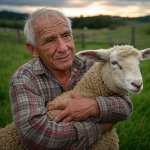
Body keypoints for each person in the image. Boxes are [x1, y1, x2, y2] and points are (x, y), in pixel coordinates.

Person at [10, 8, 133, 149]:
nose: (63, 47)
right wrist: (101, 128)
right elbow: (36, 138)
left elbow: (126, 105)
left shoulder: (93, 65)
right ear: (33, 49)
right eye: (50, 40)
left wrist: (94, 106)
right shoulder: (24, 79)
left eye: (66, 35)